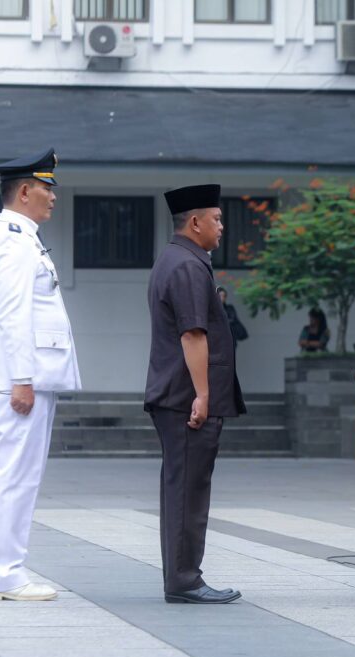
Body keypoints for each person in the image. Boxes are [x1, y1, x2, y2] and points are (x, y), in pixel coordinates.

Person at [0, 148, 81, 602]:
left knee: (19, 476)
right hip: (19, 378)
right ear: (23, 191)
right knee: (15, 477)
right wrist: (22, 379)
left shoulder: (23, 238)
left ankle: (6, 572)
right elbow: (13, 315)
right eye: (46, 187)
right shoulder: (14, 242)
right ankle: (4, 575)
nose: (53, 196)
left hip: (26, 376)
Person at [145, 184, 246, 605]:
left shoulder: (179, 260)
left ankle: (183, 576)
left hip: (176, 397)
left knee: (183, 488)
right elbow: (192, 334)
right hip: (186, 400)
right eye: (218, 219)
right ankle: (185, 580)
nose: (222, 226)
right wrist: (203, 396)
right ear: (195, 222)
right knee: (188, 490)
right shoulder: (186, 266)